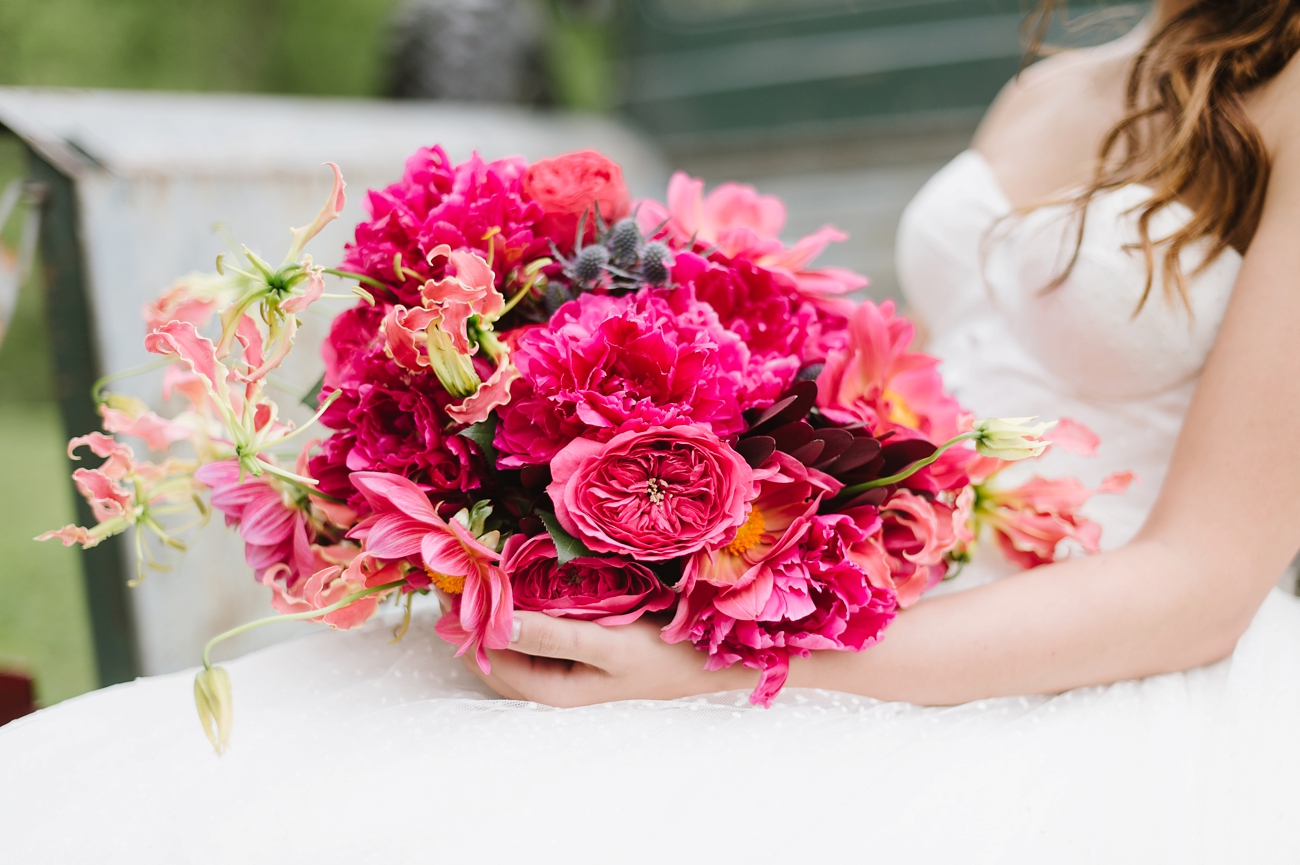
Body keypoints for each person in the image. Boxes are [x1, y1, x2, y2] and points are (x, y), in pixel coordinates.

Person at [3, 1, 1298, 861]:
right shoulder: (1063, 76)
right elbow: (919, 379)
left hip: (1101, 642)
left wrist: (739, 665)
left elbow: (1202, 583)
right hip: (865, 564)